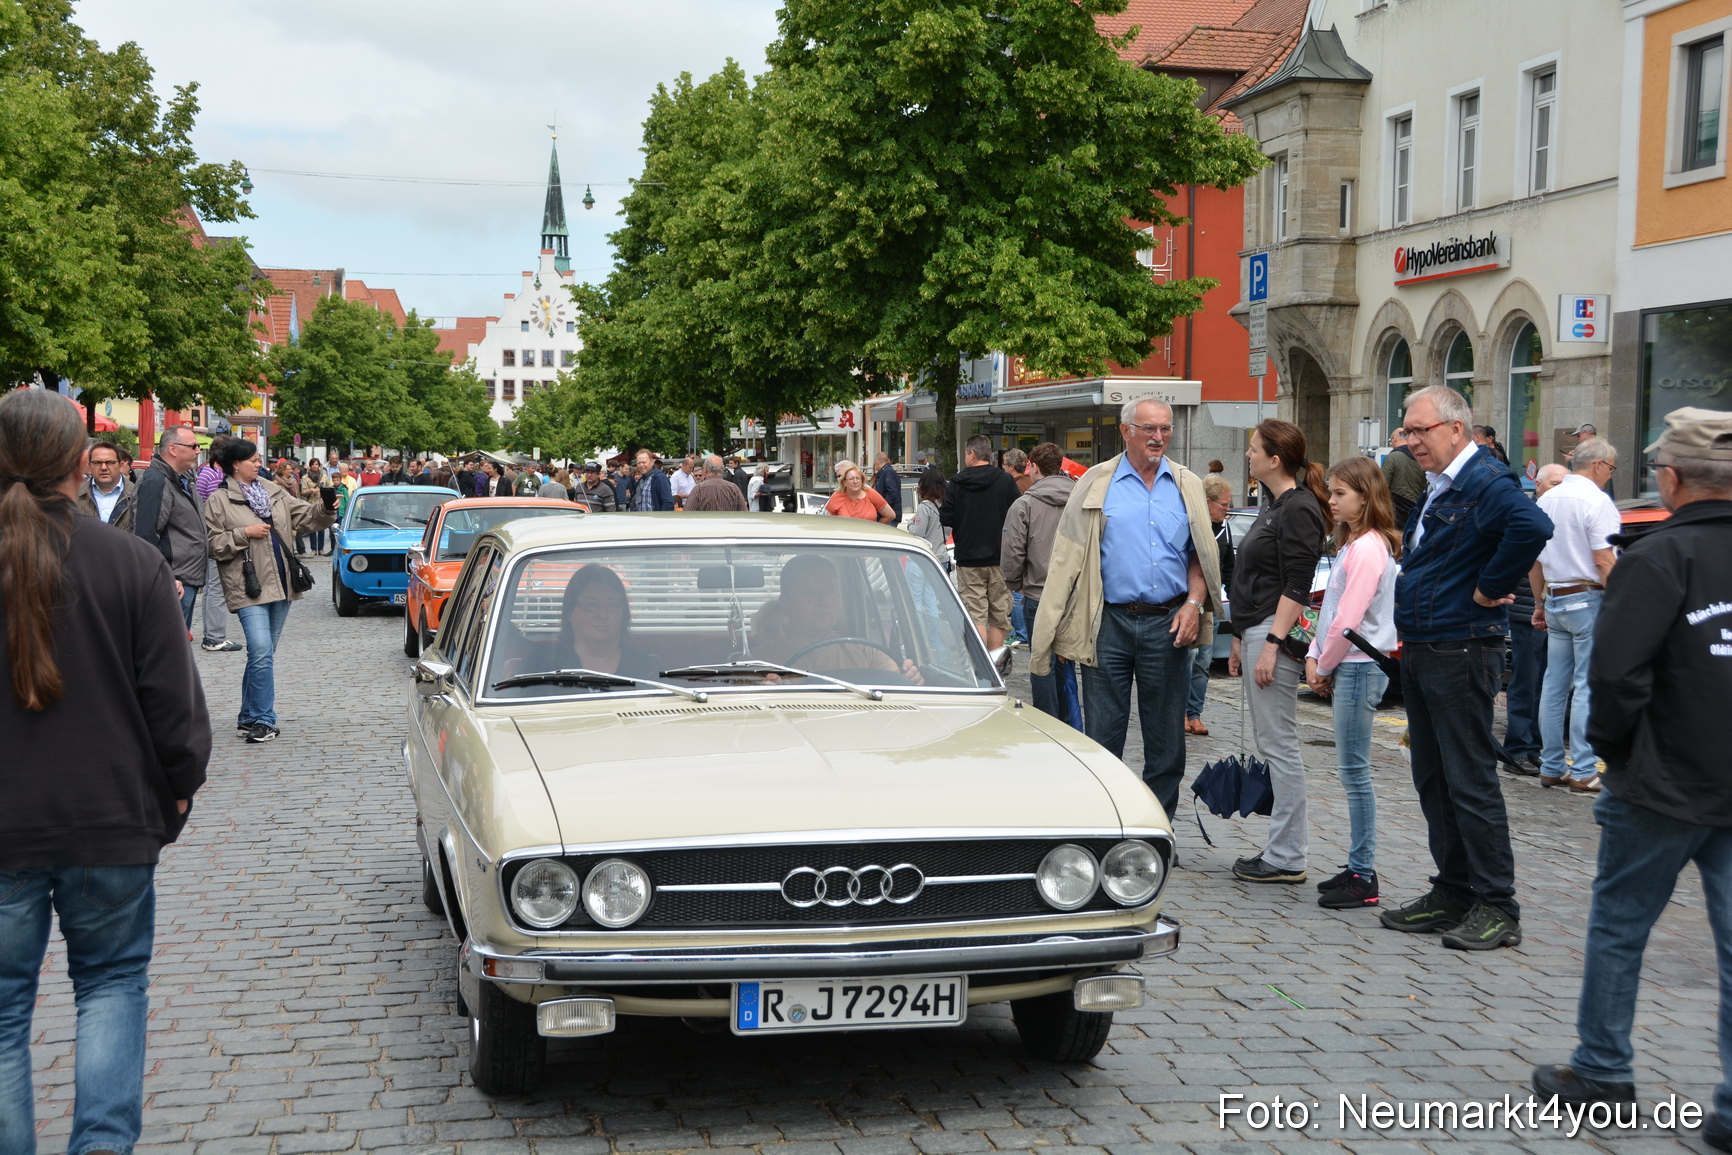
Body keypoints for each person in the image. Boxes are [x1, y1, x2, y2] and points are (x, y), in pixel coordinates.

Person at [0, 388, 210, 1155]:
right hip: (109, 818)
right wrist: (176, 790)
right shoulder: (130, 561)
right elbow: (174, 704)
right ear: (75, 462)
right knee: (112, 987)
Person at [1531, 407, 1732, 1136]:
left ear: (1672, 478)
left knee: (1620, 927)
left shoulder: (1655, 556)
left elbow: (1615, 678)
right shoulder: (1657, 551)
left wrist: (1617, 755)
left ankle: (1603, 1069)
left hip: (1660, 780)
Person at [1381, 384, 1552, 951]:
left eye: (1419, 430)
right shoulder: (1442, 484)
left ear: (1456, 429)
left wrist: (1490, 587)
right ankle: (1453, 890)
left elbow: (1531, 527)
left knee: (1470, 779)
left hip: (1460, 647)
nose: (1410, 441)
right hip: (1429, 644)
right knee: (1433, 777)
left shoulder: (1484, 479)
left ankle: (1497, 903)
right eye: (1407, 431)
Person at [1030, 399, 1222, 817]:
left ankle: (1156, 829)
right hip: (1108, 624)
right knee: (1102, 738)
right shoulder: (1096, 482)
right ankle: (1106, 827)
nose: (1158, 437)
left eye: (1166, 430)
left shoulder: (1186, 485)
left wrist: (1193, 604)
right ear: (1125, 431)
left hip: (1170, 624)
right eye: (1148, 428)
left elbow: (1202, 557)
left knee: (1166, 742)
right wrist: (1057, 628)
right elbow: (1067, 560)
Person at [1227, 419, 1329, 884]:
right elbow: (1253, 577)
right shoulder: (1276, 505)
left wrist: (1269, 644)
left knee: (1279, 745)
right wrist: (1239, 636)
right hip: (1257, 629)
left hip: (1274, 631)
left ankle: (1288, 855)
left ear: (1274, 459)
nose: (1247, 455)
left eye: (1253, 449)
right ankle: (1283, 850)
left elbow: (1297, 584)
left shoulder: (1299, 507)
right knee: (1274, 744)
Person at [1305, 456, 1403, 910]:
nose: (1331, 499)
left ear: (1366, 496)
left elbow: (1348, 616)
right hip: (1353, 661)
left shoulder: (1367, 548)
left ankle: (1364, 873)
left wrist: (1323, 664)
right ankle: (1358, 864)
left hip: (1361, 664)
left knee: (1355, 773)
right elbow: (1332, 610)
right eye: (1331, 491)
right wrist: (1315, 655)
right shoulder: (1355, 544)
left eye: (1340, 492)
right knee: (1352, 771)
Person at [204, 437, 338, 744]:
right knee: (261, 651)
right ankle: (265, 719)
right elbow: (213, 546)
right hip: (248, 586)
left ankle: (248, 716)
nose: (258, 463)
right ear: (235, 464)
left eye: (258, 459)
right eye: (252, 459)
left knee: (262, 654)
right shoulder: (218, 500)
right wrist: (244, 533)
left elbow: (305, 517)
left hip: (282, 582)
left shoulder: (273, 491)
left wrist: (325, 508)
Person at [1531, 437, 1620, 793]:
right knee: (1585, 686)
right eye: (1611, 469)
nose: (1610, 476)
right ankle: (1583, 769)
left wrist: (1539, 602)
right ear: (1598, 465)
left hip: (1554, 596)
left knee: (1554, 686)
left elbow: (1534, 559)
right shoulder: (1597, 501)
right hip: (1589, 598)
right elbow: (1604, 560)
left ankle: (1552, 764)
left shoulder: (1546, 499)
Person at [752, 553, 923, 682]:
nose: (823, 601)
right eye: (808, 593)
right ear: (786, 603)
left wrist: (907, 679)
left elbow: (895, 697)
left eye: (829, 591)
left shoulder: (867, 653)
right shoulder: (757, 663)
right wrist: (758, 696)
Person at [1001, 443, 1074, 718]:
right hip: (1073, 595)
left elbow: (1012, 552)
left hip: (1037, 594)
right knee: (1070, 661)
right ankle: (1069, 719)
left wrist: (1016, 582)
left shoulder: (1025, 504)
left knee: (1042, 662)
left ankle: (1048, 719)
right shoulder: (1080, 501)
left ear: (1032, 466)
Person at [1503, 463, 1567, 774]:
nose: (1561, 487)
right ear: (1538, 486)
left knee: (1546, 683)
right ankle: (1517, 749)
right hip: (1528, 609)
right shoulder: (1528, 515)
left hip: (1551, 610)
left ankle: (1535, 748)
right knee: (1526, 681)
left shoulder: (1562, 514)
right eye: (1555, 482)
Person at [941, 434, 1023, 649]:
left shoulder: (957, 482)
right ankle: (995, 664)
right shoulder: (1005, 480)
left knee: (976, 614)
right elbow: (1018, 514)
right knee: (998, 615)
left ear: (972, 454)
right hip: (1000, 557)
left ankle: (980, 666)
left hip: (968, 557)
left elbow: (946, 518)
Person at [133, 425, 208, 631]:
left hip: (185, 579)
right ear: (173, 449)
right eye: (193, 446)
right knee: (169, 651)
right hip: (174, 583)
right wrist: (165, 577)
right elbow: (145, 535)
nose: (198, 451)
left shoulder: (182, 478)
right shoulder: (156, 481)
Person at [1185, 475, 1235, 736]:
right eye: (1223, 505)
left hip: (1210, 605)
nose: (1227, 510)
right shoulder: (1191, 525)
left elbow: (1229, 569)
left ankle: (1195, 713)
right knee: (1187, 659)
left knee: (1203, 661)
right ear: (1207, 502)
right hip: (1188, 603)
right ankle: (1179, 711)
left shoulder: (1224, 529)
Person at [553, 565, 661, 679]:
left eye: (612, 605)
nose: (603, 615)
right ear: (569, 612)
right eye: (591, 604)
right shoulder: (545, 665)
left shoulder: (646, 667)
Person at [905, 470, 950, 615]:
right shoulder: (946, 506)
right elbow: (948, 532)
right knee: (931, 601)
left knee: (915, 600)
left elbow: (918, 533)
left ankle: (917, 635)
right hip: (940, 557)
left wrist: (910, 524)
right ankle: (934, 638)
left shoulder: (925, 507)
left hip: (921, 558)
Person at [76, 438, 135, 532]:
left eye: (110, 462)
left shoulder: (136, 495)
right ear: (89, 466)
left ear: (121, 465)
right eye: (97, 463)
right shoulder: (75, 494)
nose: (103, 468)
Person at [1382, 425, 1426, 528]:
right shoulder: (1420, 457)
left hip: (1396, 511)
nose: (1391, 444)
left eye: (1390, 441)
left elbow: (1382, 485)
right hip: (1416, 509)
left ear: (1395, 438)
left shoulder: (1392, 457)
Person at [825, 462, 894, 521]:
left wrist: (877, 529)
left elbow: (890, 515)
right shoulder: (836, 497)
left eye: (858, 478)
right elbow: (829, 522)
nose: (855, 482)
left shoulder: (870, 493)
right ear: (844, 482)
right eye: (851, 479)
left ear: (862, 480)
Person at [871, 451, 903, 522]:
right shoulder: (887, 472)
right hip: (890, 514)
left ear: (877, 461)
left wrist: (882, 507)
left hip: (889, 515)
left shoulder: (887, 472)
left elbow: (892, 493)